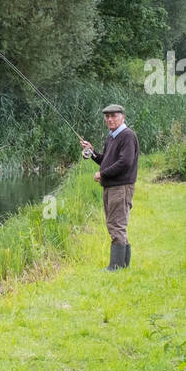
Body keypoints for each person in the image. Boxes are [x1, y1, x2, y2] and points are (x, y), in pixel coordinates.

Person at [79, 105, 139, 271]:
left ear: (122, 117)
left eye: (113, 116)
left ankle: (115, 266)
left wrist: (102, 174)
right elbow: (106, 160)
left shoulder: (127, 136)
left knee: (116, 224)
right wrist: (92, 152)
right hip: (112, 187)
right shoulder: (111, 137)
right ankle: (123, 265)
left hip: (120, 188)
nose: (109, 119)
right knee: (116, 223)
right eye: (107, 117)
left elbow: (124, 163)